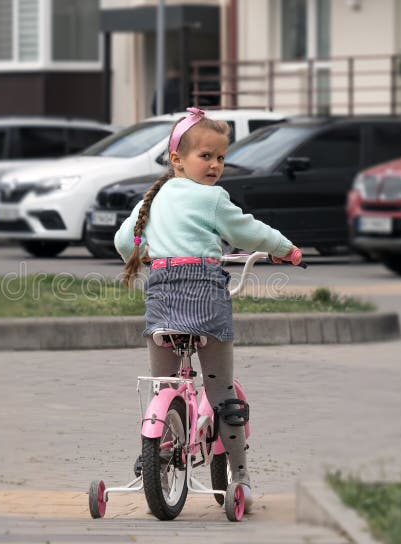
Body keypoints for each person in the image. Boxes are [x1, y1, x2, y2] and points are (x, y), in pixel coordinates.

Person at [114, 107, 302, 510]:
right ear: (177, 158)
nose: (215, 165)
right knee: (221, 393)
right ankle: (242, 478)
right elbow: (247, 231)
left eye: (220, 157)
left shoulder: (154, 197)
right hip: (205, 304)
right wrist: (286, 250)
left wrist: (149, 255)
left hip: (161, 303)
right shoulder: (213, 198)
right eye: (206, 156)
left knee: (162, 387)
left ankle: (153, 455)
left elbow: (125, 242)